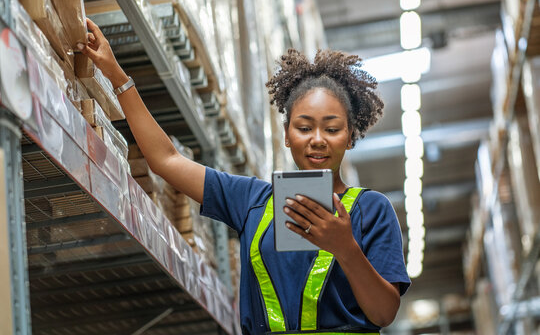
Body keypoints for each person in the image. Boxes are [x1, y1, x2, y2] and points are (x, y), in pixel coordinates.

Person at [79, 18, 411, 335]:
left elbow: (383, 313)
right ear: (286, 134)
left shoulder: (372, 210)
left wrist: (346, 249)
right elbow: (166, 159)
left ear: (351, 136)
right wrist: (116, 74)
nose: (318, 139)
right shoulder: (251, 201)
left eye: (333, 128)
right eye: (304, 127)